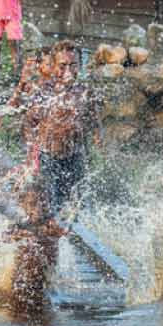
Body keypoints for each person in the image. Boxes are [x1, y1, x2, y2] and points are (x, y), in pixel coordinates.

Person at [32, 40, 100, 219]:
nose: (68, 71)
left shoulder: (85, 91)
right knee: (50, 207)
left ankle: (78, 238)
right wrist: (31, 157)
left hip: (75, 157)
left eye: (73, 65)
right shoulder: (44, 91)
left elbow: (94, 119)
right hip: (49, 158)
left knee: (79, 208)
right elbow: (29, 123)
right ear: (53, 66)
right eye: (63, 66)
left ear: (79, 65)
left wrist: (97, 136)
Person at [5, 178, 67, 315]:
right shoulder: (18, 223)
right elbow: (3, 239)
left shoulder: (50, 223)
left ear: (49, 203)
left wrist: (57, 234)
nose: (38, 209)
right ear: (22, 205)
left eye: (43, 204)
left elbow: (62, 233)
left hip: (43, 273)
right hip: (22, 275)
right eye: (33, 204)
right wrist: (17, 237)